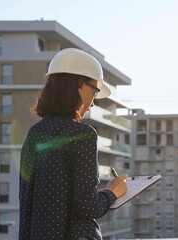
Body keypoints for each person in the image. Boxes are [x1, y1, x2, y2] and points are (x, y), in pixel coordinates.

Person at [19, 48, 127, 240]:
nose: (93, 103)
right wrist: (112, 193)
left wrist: (96, 194)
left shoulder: (35, 133)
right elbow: (87, 207)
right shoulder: (82, 134)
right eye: (94, 92)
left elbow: (37, 200)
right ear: (79, 84)